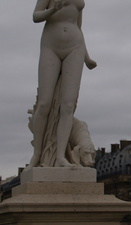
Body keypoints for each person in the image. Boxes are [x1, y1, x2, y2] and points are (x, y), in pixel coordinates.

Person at [28, 0, 97, 167]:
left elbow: (78, 26)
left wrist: (87, 58)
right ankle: (37, 154)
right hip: (51, 45)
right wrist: (52, 10)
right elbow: (35, 16)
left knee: (68, 105)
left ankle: (60, 156)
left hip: (75, 46)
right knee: (44, 103)